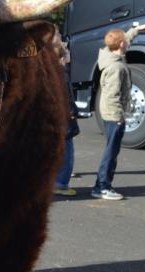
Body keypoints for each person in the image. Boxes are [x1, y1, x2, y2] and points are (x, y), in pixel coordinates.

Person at [92, 23, 145, 200]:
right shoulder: (116, 68)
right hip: (113, 115)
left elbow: (124, 38)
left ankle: (102, 185)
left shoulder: (109, 55)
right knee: (111, 152)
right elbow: (112, 96)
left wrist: (139, 29)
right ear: (121, 45)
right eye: (125, 42)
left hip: (110, 114)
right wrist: (119, 117)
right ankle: (102, 186)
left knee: (112, 150)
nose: (128, 43)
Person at [52, 31, 80, 196]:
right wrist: (71, 111)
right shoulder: (61, 72)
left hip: (55, 115)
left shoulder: (52, 71)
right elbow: (66, 95)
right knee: (67, 150)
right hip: (64, 116)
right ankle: (61, 183)